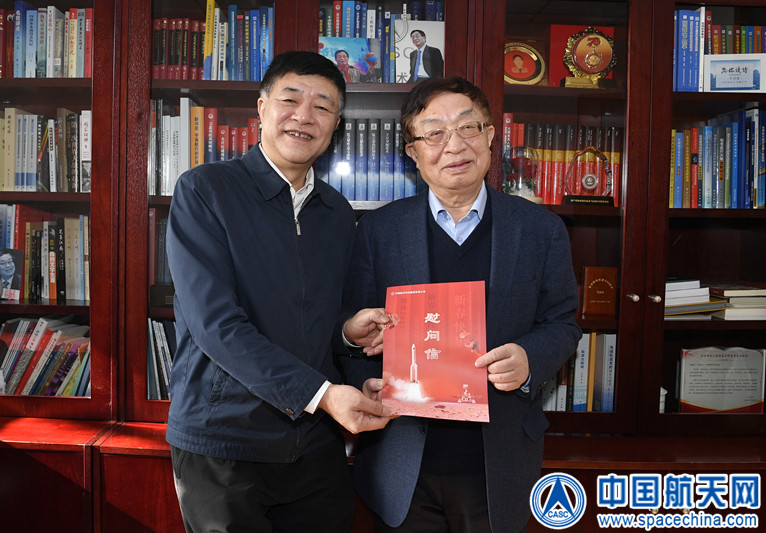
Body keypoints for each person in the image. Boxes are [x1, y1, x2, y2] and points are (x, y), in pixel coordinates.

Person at [340, 76, 582, 532]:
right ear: (413, 152)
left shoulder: (540, 229)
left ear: (490, 136)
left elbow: (563, 324)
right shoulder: (378, 231)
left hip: (499, 461)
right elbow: (352, 333)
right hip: (402, 462)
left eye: (468, 127)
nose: (454, 145)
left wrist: (529, 359)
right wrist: (365, 382)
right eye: (434, 133)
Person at [165, 50, 392, 533]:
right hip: (225, 442)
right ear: (263, 108)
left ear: (335, 125)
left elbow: (314, 318)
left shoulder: (337, 212)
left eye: (323, 107)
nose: (304, 116)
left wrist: (347, 333)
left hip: (315, 446)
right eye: (290, 100)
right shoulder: (205, 191)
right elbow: (215, 325)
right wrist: (323, 395)